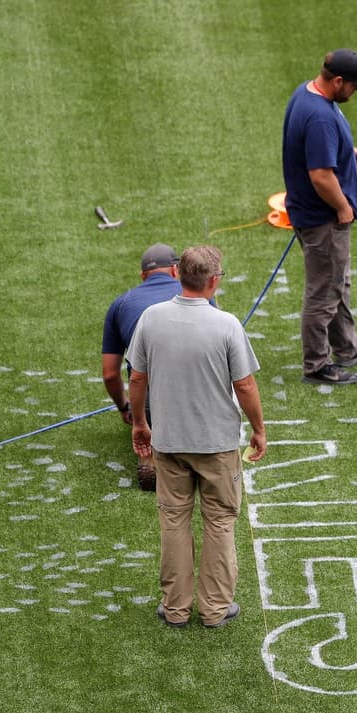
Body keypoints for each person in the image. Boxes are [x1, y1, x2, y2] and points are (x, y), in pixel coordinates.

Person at [128, 246, 266, 627]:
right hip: (217, 445)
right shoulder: (227, 325)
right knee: (220, 522)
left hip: (169, 443)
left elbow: (136, 377)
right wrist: (258, 429)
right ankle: (214, 610)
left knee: (174, 522)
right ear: (214, 281)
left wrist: (140, 423)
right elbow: (246, 384)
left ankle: (174, 608)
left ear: (177, 274)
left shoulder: (151, 319)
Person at [282, 48, 357, 385]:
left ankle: (347, 347)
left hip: (312, 213)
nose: (356, 92)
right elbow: (321, 176)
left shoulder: (306, 93)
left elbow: (313, 146)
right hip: (321, 219)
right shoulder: (321, 116)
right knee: (324, 290)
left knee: (337, 282)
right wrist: (342, 208)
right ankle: (317, 364)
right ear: (338, 81)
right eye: (354, 87)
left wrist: (346, 151)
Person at [101, 244, 183, 490]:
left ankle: (148, 457)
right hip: (192, 385)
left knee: (144, 379)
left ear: (142, 276)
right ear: (175, 271)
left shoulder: (120, 304)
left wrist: (126, 408)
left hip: (146, 390)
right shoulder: (197, 294)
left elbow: (109, 373)